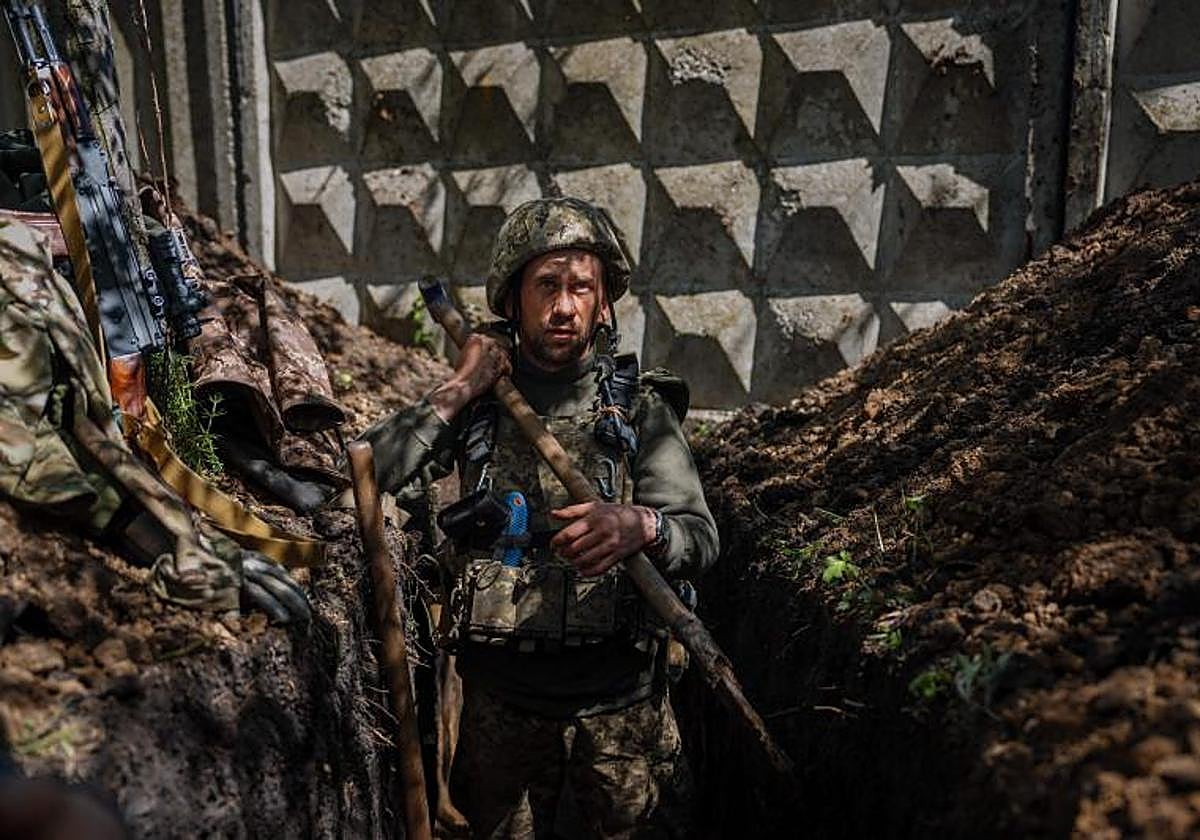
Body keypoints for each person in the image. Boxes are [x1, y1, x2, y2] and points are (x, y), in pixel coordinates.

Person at [361, 196, 719, 838]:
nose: (564, 306)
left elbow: (700, 538)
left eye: (582, 287)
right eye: (546, 286)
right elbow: (366, 476)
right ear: (512, 300)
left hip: (622, 719)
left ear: (604, 300)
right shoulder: (478, 401)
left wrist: (643, 527)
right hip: (498, 718)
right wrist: (457, 391)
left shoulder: (639, 408)